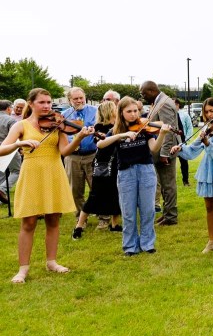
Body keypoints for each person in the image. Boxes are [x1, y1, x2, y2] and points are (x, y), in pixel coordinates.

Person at [0, 88, 95, 283]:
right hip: (32, 174)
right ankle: (22, 269)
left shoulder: (57, 124)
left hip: (54, 173)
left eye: (49, 102)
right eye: (42, 102)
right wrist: (20, 144)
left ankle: (51, 262)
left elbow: (64, 151)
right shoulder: (21, 126)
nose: (46, 106)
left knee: (53, 220)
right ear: (31, 103)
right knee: (28, 223)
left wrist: (78, 137)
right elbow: (2, 149)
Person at [97, 96, 171, 256]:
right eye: (128, 111)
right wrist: (121, 136)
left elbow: (154, 149)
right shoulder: (116, 130)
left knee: (148, 210)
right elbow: (100, 144)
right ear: (121, 113)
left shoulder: (145, 128)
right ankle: (130, 246)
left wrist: (163, 135)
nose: (133, 114)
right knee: (128, 212)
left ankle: (147, 243)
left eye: (135, 111)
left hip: (146, 170)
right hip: (126, 173)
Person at [171, 98, 213, 255]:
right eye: (206, 112)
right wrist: (179, 149)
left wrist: (207, 142)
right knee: (209, 207)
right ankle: (211, 241)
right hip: (208, 168)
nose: (209, 114)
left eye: (212, 111)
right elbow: (193, 149)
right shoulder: (208, 127)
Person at [72, 100, 123, 239]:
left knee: (115, 193)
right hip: (103, 165)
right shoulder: (100, 127)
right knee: (95, 195)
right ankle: (79, 226)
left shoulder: (118, 126)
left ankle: (114, 224)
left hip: (115, 163)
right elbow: (100, 144)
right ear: (110, 111)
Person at [139, 81, 181, 226]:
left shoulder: (164, 103)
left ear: (151, 91)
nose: (143, 97)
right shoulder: (160, 101)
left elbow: (169, 130)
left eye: (143, 94)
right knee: (163, 184)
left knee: (168, 184)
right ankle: (166, 213)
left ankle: (171, 216)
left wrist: (164, 154)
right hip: (159, 150)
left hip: (166, 151)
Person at [62, 87, 99, 219]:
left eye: (81, 98)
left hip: (92, 154)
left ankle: (102, 215)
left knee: (96, 187)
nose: (79, 101)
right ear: (69, 100)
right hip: (73, 157)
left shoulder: (95, 112)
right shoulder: (64, 115)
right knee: (75, 189)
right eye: (75, 99)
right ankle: (81, 215)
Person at [0, 100, 21, 204]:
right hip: (8, 148)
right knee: (17, 170)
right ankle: (2, 189)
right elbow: (16, 136)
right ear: (8, 108)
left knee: (1, 173)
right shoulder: (10, 120)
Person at [175, 98, 193, 187]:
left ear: (178, 104)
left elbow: (190, 127)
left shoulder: (184, 115)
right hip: (172, 143)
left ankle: (185, 181)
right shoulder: (169, 115)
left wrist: (186, 140)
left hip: (182, 142)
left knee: (184, 162)